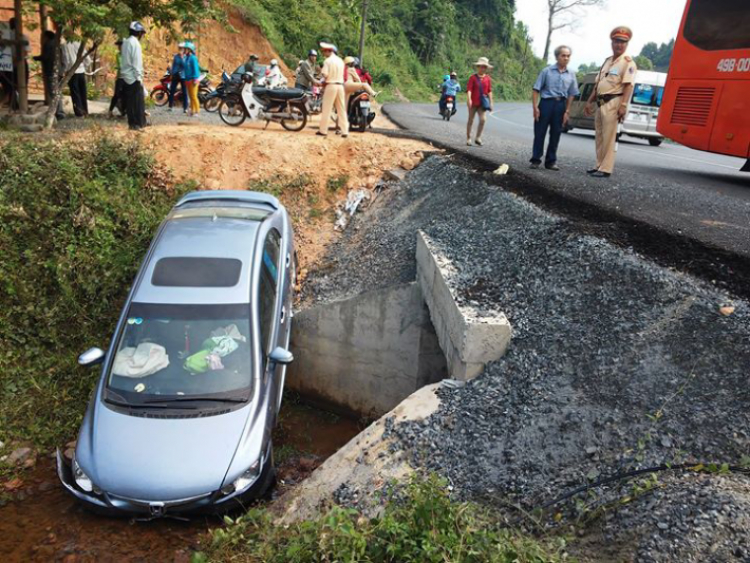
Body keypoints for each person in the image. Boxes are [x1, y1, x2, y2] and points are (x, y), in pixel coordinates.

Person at [583, 26, 637, 178]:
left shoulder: (628, 63)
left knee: (609, 136)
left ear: (626, 44)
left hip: (614, 102)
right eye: (616, 41)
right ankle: (598, 164)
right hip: (601, 102)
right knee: (600, 135)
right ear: (612, 43)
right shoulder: (607, 61)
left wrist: (623, 105)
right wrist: (589, 102)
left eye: (623, 42)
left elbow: (628, 85)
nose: (619, 45)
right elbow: (598, 83)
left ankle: (606, 168)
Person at [529, 46, 579, 171]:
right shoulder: (547, 71)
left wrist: (567, 111)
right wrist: (535, 108)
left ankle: (551, 161)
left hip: (560, 105)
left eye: (568, 56)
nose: (566, 58)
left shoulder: (571, 74)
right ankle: (535, 159)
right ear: (557, 57)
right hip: (546, 103)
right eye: (563, 55)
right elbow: (536, 89)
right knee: (540, 132)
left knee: (556, 133)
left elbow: (572, 93)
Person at [317, 42, 348, 137]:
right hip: (340, 86)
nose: (323, 53)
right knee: (341, 109)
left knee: (327, 108)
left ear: (329, 51)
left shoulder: (327, 61)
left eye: (324, 51)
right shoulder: (341, 61)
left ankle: (323, 130)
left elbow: (325, 75)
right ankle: (345, 131)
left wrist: (320, 83)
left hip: (331, 86)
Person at [121, 21, 147, 130]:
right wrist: (139, 78)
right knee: (138, 102)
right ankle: (138, 123)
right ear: (139, 33)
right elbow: (136, 63)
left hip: (126, 76)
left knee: (130, 102)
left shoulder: (126, 42)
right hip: (133, 77)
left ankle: (132, 123)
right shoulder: (135, 44)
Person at [34, 30, 65, 119]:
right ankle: (59, 111)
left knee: (53, 92)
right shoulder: (57, 44)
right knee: (57, 91)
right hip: (58, 71)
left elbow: (45, 57)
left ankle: (58, 112)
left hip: (51, 71)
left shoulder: (48, 44)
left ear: (46, 37)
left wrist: (35, 58)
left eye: (43, 37)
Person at [465, 57, 493, 146]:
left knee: (483, 119)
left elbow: (489, 91)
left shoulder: (488, 78)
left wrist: (491, 102)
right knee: (471, 120)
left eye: (485, 67)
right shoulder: (472, 78)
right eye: (481, 66)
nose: (483, 68)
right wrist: (469, 99)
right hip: (473, 103)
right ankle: (468, 138)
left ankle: (478, 137)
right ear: (478, 67)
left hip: (482, 104)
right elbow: (469, 89)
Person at [62, 39, 90, 117]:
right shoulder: (79, 43)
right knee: (83, 92)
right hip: (81, 71)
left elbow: (66, 59)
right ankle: (85, 111)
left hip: (72, 71)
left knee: (75, 93)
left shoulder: (65, 45)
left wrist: (65, 70)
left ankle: (79, 112)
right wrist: (85, 67)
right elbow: (87, 57)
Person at [182, 41, 201, 117]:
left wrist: (195, 79)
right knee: (190, 96)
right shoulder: (186, 58)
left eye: (186, 49)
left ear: (190, 50)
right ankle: (192, 111)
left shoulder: (193, 58)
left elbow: (196, 69)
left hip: (193, 80)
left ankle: (197, 111)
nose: (184, 50)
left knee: (194, 96)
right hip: (188, 80)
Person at [107, 39, 125, 117]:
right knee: (116, 95)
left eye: (121, 45)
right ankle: (110, 111)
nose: (119, 47)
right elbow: (121, 66)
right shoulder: (118, 55)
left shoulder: (129, 54)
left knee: (125, 95)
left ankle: (123, 112)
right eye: (119, 46)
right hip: (120, 77)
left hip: (128, 78)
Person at [168, 43, 188, 112]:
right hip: (175, 75)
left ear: (184, 49)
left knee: (184, 92)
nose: (180, 50)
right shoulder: (176, 56)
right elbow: (174, 66)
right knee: (172, 90)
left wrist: (182, 58)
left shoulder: (185, 57)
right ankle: (170, 106)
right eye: (180, 48)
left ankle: (185, 108)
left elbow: (185, 66)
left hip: (183, 76)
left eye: (182, 48)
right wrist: (172, 74)